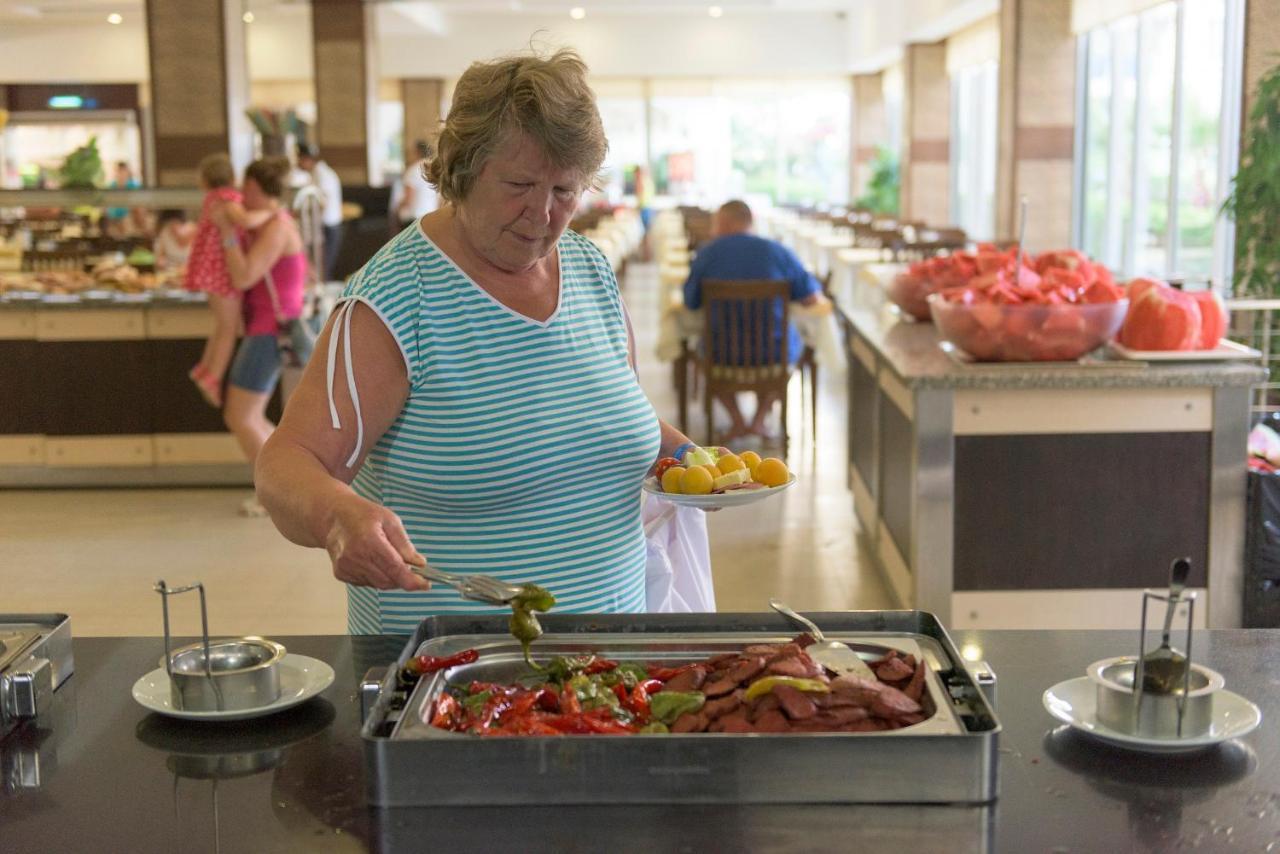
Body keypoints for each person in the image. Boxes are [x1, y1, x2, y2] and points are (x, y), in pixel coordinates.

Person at [254, 49, 700, 633]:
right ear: (463, 170)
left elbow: (605, 416)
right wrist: (337, 516)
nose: (542, 213)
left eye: (565, 190)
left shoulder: (590, 269)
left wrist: (697, 460)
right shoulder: (395, 299)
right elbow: (286, 465)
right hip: (455, 679)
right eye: (519, 183)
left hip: (611, 670)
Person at [682, 199, 828, 442]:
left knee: (701, 349)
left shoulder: (707, 253)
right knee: (793, 346)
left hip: (721, 355)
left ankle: (738, 421)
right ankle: (759, 420)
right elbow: (812, 298)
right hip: (772, 355)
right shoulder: (777, 251)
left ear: (726, 222)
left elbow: (690, 302)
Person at [211, 156, 308, 517]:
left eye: (245, 188)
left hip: (269, 331)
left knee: (242, 416)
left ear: (255, 188)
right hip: (266, 329)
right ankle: (285, 485)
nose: (240, 195)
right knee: (250, 416)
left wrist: (226, 237)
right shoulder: (273, 221)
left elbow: (244, 276)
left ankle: (276, 492)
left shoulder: (278, 227)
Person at [185, 153, 272, 408]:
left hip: (210, 272)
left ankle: (205, 369)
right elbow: (244, 220)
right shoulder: (227, 199)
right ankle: (213, 377)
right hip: (222, 272)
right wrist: (269, 212)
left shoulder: (212, 199)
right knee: (229, 328)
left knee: (222, 325)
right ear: (233, 178)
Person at [296, 144, 343, 281]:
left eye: (300, 160)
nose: (299, 163)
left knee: (323, 268)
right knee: (321, 267)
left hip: (329, 226)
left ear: (307, 159)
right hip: (326, 225)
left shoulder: (323, 175)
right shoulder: (317, 173)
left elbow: (322, 203)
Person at [396, 139, 439, 226]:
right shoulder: (434, 170)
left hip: (413, 219)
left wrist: (397, 208)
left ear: (417, 152)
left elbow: (408, 200)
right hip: (431, 216)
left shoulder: (412, 170)